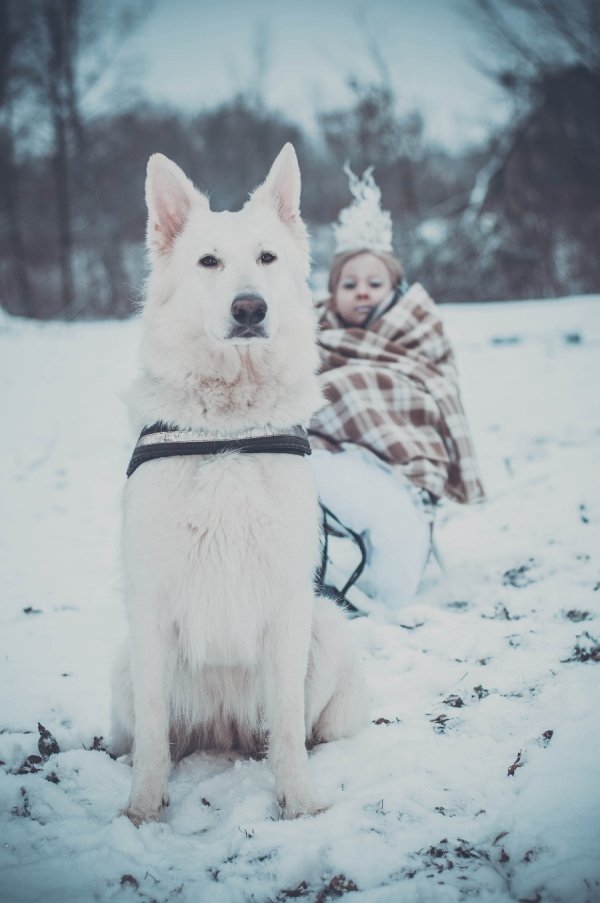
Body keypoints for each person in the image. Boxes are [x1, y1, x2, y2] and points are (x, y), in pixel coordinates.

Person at [308, 167, 485, 613]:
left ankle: (379, 556)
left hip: (398, 460)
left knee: (343, 386)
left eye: (374, 284)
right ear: (332, 293)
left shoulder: (416, 329)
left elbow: (436, 392)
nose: (361, 293)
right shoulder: (313, 330)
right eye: (349, 285)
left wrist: (350, 386)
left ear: (394, 289)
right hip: (333, 450)